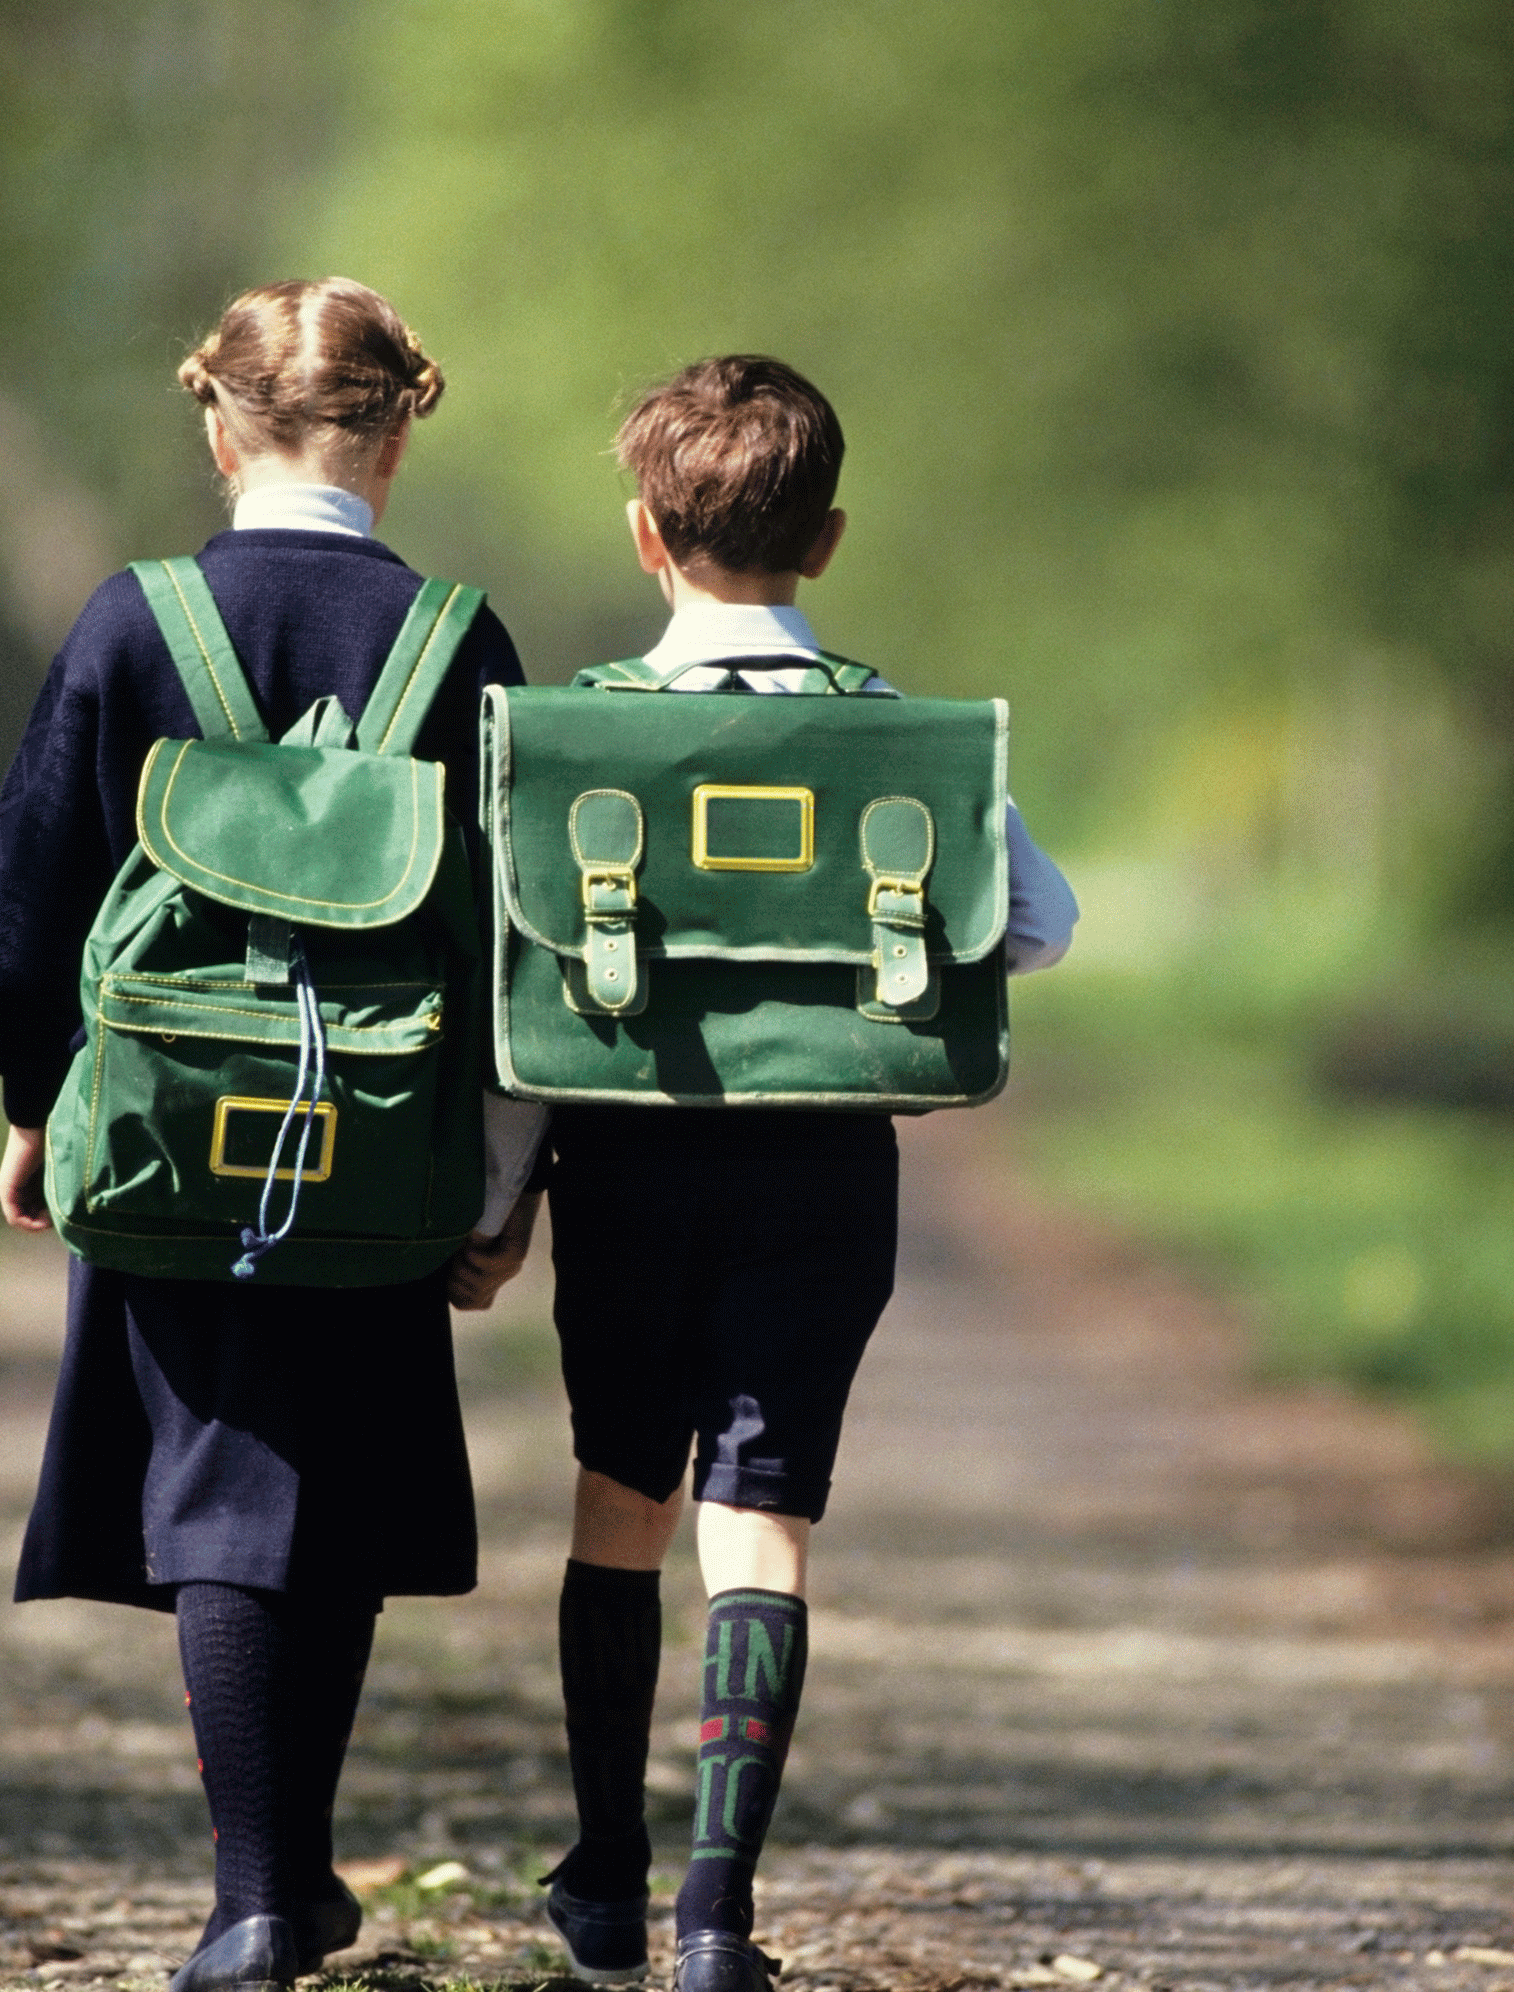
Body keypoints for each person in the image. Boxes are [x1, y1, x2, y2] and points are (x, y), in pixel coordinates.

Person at [452, 356, 1077, 1992]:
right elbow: (1042, 925)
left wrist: (498, 1210)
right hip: (824, 1185)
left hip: (631, 1165)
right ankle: (719, 1920)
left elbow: (531, 1017)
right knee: (764, 1523)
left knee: (618, 1503)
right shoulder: (904, 742)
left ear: (645, 537)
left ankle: (603, 1878)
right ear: (833, 540)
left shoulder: (580, 739)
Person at [0, 278, 540, 1992]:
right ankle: (288, 1877)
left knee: (217, 1489)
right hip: (384, 1139)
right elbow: (520, 944)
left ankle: (258, 1894)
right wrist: (502, 1188)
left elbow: (29, 892)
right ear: (403, 427)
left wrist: (31, 1100)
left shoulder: (133, 625)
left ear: (215, 427)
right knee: (337, 1494)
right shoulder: (459, 637)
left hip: (165, 1130)